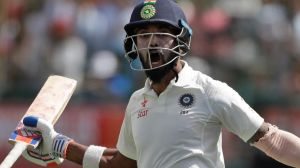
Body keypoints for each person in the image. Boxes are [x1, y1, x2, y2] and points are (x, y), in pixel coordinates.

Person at [21, 0, 300, 168]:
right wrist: (60, 146)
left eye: (161, 33)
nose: (151, 42)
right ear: (133, 45)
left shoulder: (209, 91)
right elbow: (122, 164)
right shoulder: (136, 102)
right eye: (142, 35)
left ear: (182, 40)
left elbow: (271, 138)